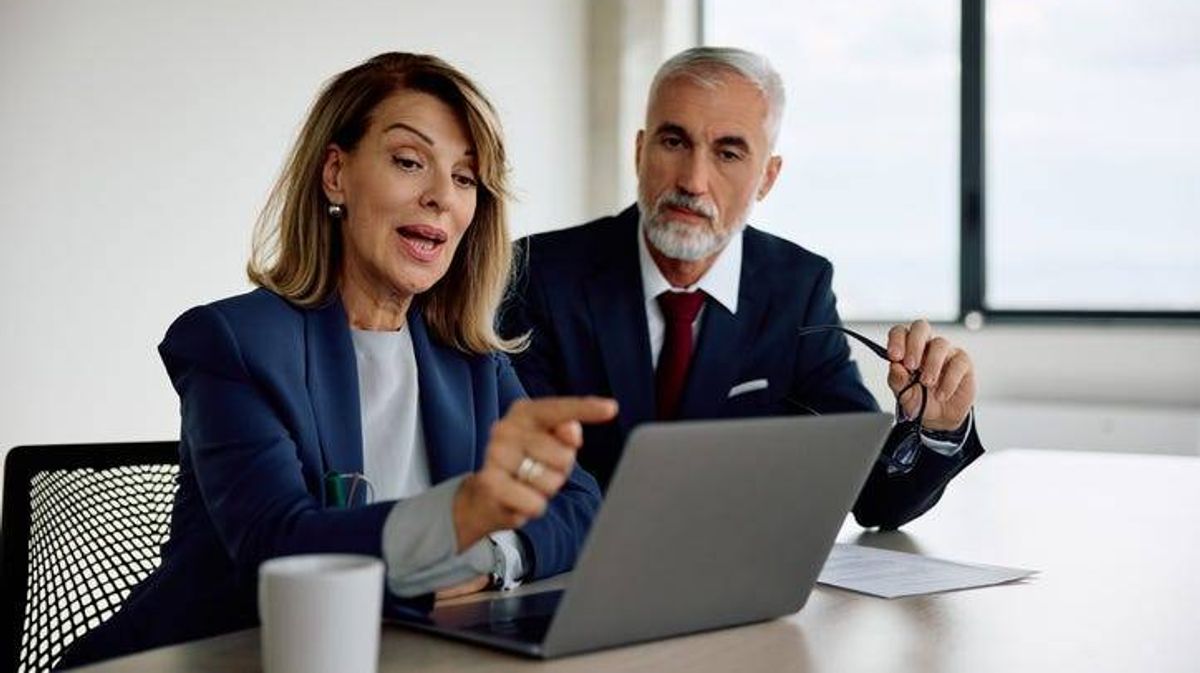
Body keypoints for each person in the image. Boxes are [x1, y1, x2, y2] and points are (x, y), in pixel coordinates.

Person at [60, 52, 616, 668]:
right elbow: (282, 548)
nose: (440, 197)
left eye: (464, 178)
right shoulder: (231, 343)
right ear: (335, 175)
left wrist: (489, 554)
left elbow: (581, 504)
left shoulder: (470, 359)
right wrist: (462, 517)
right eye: (409, 162)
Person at [501, 46, 982, 530]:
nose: (693, 180)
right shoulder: (538, 276)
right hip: (575, 577)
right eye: (673, 142)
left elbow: (872, 497)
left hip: (740, 593)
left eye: (728, 153)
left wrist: (937, 428)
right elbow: (519, 477)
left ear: (767, 178)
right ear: (639, 151)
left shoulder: (797, 287)